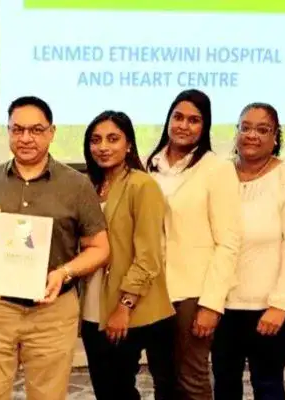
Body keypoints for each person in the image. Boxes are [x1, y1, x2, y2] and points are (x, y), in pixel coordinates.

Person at [0, 95, 110, 400]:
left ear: (52, 132)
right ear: (8, 131)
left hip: (52, 311)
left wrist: (65, 273)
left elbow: (100, 248)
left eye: (36, 130)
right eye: (17, 130)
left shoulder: (76, 184)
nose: (26, 138)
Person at [211, 103, 285, 400]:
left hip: (268, 309)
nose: (252, 135)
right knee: (224, 383)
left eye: (262, 129)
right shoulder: (220, 173)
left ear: (275, 136)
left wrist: (281, 305)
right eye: (245, 127)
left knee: (267, 384)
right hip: (222, 307)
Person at [145, 88, 242, 399]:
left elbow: (228, 242)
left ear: (205, 126)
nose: (183, 125)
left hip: (193, 292)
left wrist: (211, 304)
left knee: (191, 378)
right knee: (162, 377)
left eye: (194, 120)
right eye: (178, 117)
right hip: (154, 290)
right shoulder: (151, 163)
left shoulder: (217, 168)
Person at [80, 110, 176, 400]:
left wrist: (124, 306)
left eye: (113, 138)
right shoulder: (88, 187)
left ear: (129, 144)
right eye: (96, 140)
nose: (103, 147)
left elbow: (148, 255)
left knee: (120, 391)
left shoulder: (141, 185)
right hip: (91, 308)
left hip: (126, 309)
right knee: (105, 391)